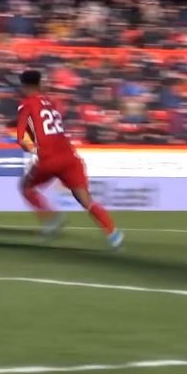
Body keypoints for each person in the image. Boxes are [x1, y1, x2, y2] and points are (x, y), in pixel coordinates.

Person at [16, 69, 124, 250]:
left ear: (25, 86)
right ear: (40, 84)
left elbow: (22, 138)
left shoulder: (26, 104)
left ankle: (51, 218)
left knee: (25, 186)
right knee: (85, 199)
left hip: (49, 158)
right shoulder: (50, 103)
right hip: (70, 157)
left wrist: (34, 150)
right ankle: (113, 234)